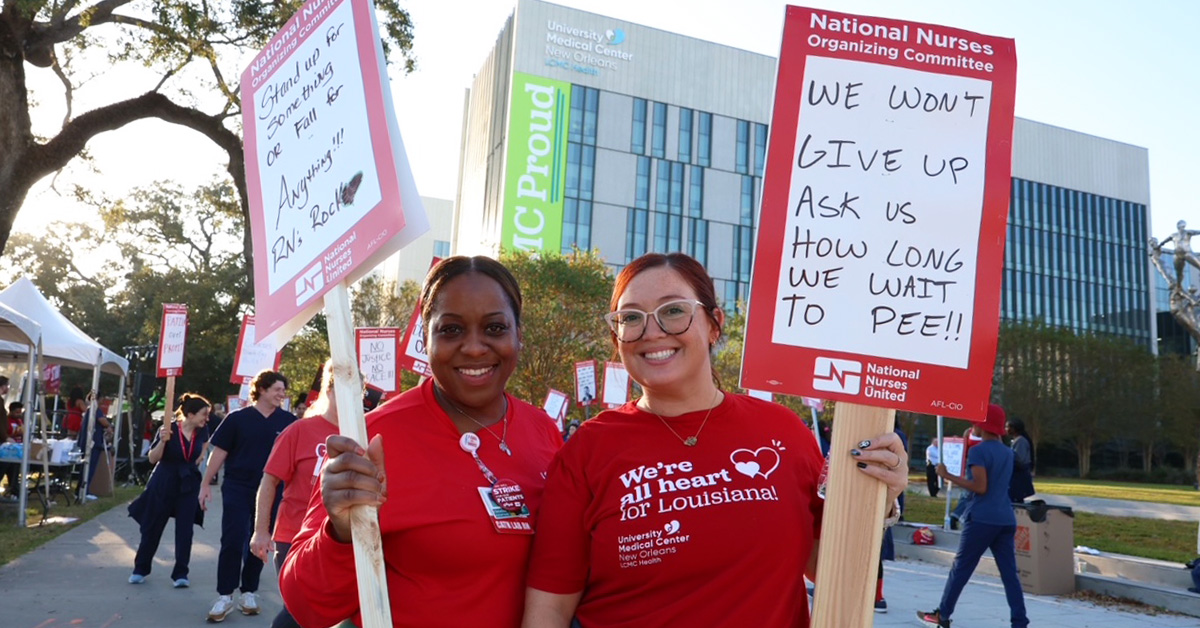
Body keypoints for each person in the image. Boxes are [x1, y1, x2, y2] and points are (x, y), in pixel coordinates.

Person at [522, 253, 909, 627]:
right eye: (631, 318)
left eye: (673, 310)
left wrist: (880, 498)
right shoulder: (587, 450)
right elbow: (549, 609)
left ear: (713, 324)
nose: (651, 331)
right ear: (617, 336)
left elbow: (831, 570)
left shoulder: (784, 432)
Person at [279, 256, 562, 628]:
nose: (475, 348)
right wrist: (342, 531)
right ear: (424, 338)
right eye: (451, 330)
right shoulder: (372, 440)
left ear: (518, 336)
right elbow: (307, 606)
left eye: (495, 328)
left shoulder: (545, 432)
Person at [919, 404, 1028, 628]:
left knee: (961, 568)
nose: (972, 426)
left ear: (983, 425)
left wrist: (947, 475)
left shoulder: (978, 452)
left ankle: (943, 615)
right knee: (1010, 575)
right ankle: (1020, 622)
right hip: (1006, 518)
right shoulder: (1008, 452)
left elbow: (980, 487)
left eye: (975, 422)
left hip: (981, 518)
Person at [200, 370, 297, 622]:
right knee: (232, 538)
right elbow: (218, 453)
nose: (282, 394)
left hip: (272, 490)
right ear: (262, 390)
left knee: (261, 541)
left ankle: (249, 592)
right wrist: (205, 483)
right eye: (277, 389)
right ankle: (224, 595)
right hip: (237, 486)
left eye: (283, 390)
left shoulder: (288, 422)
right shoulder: (236, 419)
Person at [250, 361, 339, 628]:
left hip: (340, 538)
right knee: (301, 608)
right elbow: (269, 481)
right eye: (344, 386)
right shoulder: (299, 430)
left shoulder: (362, 432)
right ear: (329, 390)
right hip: (294, 536)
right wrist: (260, 531)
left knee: (327, 611)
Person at [127, 393, 211, 587]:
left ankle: (181, 573)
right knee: (153, 527)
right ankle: (141, 568)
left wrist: (199, 458)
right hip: (164, 481)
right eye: (203, 414)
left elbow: (203, 448)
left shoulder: (203, 430)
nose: (206, 418)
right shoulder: (169, 429)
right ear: (190, 414)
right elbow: (152, 458)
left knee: (185, 530)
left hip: (188, 483)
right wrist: (163, 441)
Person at [1007, 418, 1036, 503]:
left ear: (1014, 428)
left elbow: (1019, 459)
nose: (1006, 429)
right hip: (1016, 476)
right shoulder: (1016, 440)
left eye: (1007, 427)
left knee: (1016, 502)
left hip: (1019, 477)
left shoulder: (1021, 441)